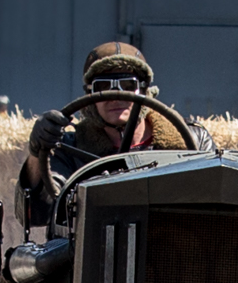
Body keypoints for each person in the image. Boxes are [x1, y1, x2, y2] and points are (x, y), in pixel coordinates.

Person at [17, 41, 214, 226]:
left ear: (145, 91)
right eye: (103, 87)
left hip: (173, 247)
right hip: (93, 251)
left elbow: (217, 205)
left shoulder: (192, 142)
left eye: (127, 86)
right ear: (90, 96)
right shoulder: (71, 148)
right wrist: (37, 153)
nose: (116, 97)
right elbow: (34, 214)